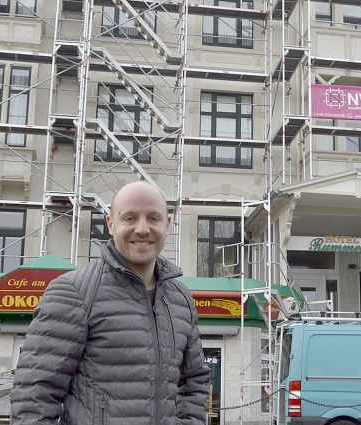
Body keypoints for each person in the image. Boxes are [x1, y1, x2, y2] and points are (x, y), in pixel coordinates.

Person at [11, 180, 211, 425]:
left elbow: (195, 381)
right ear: (110, 224)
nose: (142, 228)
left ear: (167, 224)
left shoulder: (181, 298)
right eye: (129, 218)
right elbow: (34, 394)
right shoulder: (74, 292)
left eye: (153, 218)